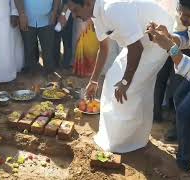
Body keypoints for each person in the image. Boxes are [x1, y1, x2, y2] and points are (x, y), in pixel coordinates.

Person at [68, 0, 174, 153]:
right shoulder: (97, 16)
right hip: (139, 41)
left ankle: (124, 143)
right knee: (112, 79)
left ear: (88, 3)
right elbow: (104, 49)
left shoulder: (111, 9)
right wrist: (94, 80)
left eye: (75, 10)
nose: (74, 16)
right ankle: (126, 138)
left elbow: (136, 48)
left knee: (130, 89)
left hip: (158, 39)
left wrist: (125, 81)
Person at [147, 0, 190, 174]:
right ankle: (186, 143)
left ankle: (183, 162)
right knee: (179, 98)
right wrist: (170, 37)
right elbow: (186, 39)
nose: (183, 18)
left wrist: (170, 47)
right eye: (181, 12)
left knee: (185, 110)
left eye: (189, 15)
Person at [15, 0, 60, 75]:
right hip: (27, 19)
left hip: (47, 20)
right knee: (28, 50)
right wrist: (21, 14)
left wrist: (54, 11)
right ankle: (30, 76)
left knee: (48, 51)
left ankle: (49, 73)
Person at [55, 0, 74, 69]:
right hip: (56, 14)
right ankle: (56, 63)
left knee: (67, 41)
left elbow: (68, 2)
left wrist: (63, 14)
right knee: (56, 41)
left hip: (67, 14)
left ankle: (66, 65)